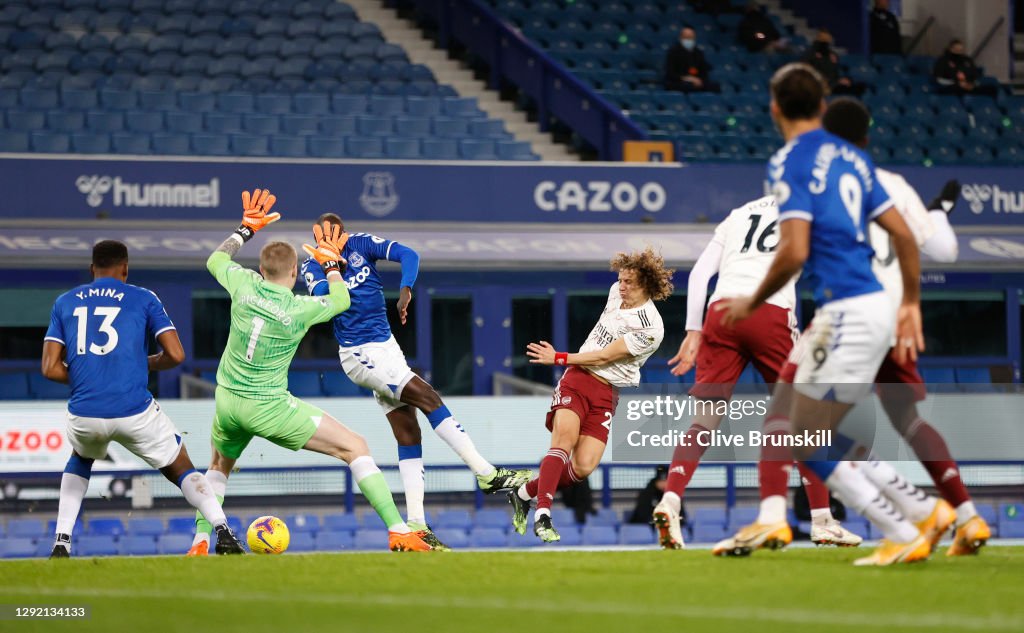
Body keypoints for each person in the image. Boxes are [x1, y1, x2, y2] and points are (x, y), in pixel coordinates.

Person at [717, 63, 933, 566]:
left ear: (774, 108)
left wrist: (751, 301)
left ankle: (903, 524)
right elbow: (904, 235)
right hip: (879, 305)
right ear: (821, 105)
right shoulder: (855, 159)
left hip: (845, 310)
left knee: (791, 429)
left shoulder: (789, 161)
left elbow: (793, 252)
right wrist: (911, 304)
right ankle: (916, 514)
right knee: (812, 431)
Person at [188, 189, 431, 554]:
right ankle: (399, 530)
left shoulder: (242, 285)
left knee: (219, 465)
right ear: (294, 271)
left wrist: (244, 230)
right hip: (268, 407)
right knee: (355, 447)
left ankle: (201, 541)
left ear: (260, 270)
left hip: (227, 402)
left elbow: (215, 261)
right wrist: (331, 264)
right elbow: (341, 300)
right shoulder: (299, 307)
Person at [301, 212, 531, 550]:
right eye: (325, 236)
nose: (332, 240)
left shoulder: (362, 244)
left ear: (344, 232)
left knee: (409, 431)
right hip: (359, 353)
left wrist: (405, 287)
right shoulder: (311, 266)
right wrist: (329, 266)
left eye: (336, 234)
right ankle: (486, 474)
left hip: (387, 347)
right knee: (429, 398)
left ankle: (417, 525)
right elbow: (328, 304)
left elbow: (410, 254)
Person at [822, 97, 991, 555]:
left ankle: (908, 518)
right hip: (897, 318)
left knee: (805, 427)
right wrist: (936, 211)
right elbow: (946, 252)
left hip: (853, 318)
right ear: (866, 138)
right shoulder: (894, 183)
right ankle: (969, 517)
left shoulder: (823, 182)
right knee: (908, 421)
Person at [650, 195, 862, 551]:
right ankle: (823, 520)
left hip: (720, 312)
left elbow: (701, 273)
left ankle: (670, 500)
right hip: (769, 310)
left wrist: (692, 329)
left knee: (704, 421)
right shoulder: (809, 212)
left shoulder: (738, 213)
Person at [42, 240, 245, 557]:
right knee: (181, 467)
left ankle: (61, 542)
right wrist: (144, 364)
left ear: (91, 269)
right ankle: (223, 531)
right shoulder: (143, 298)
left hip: (85, 413)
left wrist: (91, 374)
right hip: (134, 411)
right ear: (125, 269)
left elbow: (49, 368)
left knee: (81, 459)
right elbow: (176, 354)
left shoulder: (65, 302)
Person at [508, 248, 671, 542]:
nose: (621, 286)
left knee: (583, 467)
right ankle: (543, 513)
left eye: (628, 282)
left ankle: (523, 492)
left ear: (645, 283)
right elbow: (591, 359)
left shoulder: (651, 328)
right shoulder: (615, 294)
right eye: (619, 280)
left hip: (607, 393)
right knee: (563, 442)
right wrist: (566, 363)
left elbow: (605, 356)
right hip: (578, 380)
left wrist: (557, 357)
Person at [802, 29, 865, 96]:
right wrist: (836, 82)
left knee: (859, 86)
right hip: (822, 85)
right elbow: (811, 74)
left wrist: (842, 80)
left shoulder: (831, 54)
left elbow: (834, 73)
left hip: (834, 83)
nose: (826, 41)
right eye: (823, 39)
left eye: (827, 39)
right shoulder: (810, 54)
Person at [932, 39, 998, 97]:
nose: (958, 52)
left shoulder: (967, 60)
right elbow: (939, 79)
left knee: (991, 89)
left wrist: (970, 84)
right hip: (951, 87)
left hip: (968, 86)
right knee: (955, 89)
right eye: (956, 49)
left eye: (960, 50)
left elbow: (974, 75)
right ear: (950, 49)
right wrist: (957, 84)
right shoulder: (943, 61)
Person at [664, 26, 719, 93]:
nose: (689, 40)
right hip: (679, 81)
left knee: (715, 87)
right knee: (686, 86)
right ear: (680, 38)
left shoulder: (698, 52)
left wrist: (699, 80)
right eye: (686, 37)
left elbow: (703, 71)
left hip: (696, 81)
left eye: (691, 37)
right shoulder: (673, 52)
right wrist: (687, 78)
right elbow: (670, 73)